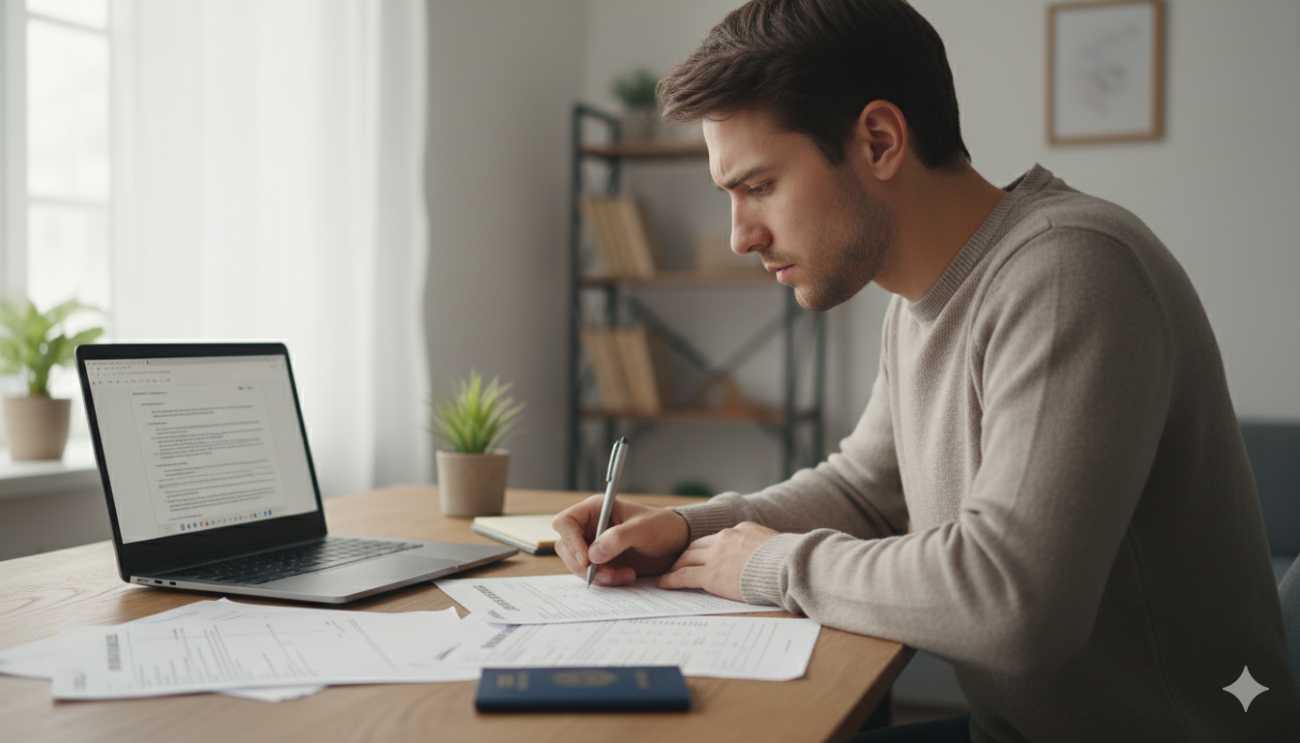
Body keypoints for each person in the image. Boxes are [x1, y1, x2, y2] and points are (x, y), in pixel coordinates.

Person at [552, 1, 1300, 741]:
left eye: (758, 186)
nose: (740, 236)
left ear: (879, 140)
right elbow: (862, 492)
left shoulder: (1073, 272)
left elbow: (1013, 602)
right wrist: (683, 528)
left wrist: (768, 563)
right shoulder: (918, 299)